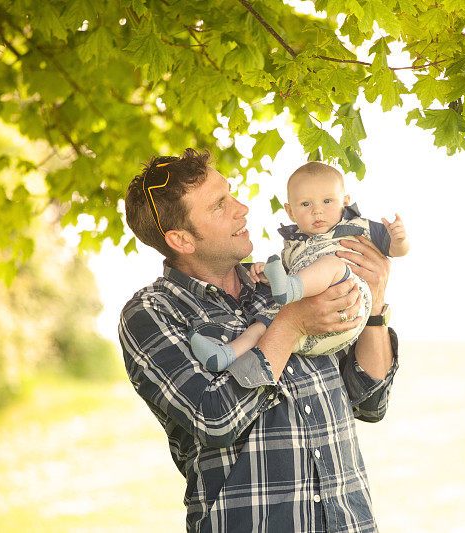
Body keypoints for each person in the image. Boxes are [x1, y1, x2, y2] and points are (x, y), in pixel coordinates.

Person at [118, 148, 399, 532]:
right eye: (220, 205)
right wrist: (290, 326)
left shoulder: (283, 279)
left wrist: (376, 306)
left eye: (230, 193)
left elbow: (370, 402)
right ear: (181, 239)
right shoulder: (152, 313)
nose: (242, 209)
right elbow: (214, 418)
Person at [189, 161, 409, 370]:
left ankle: (290, 289)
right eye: (306, 204)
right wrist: (266, 274)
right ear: (290, 211)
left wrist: (399, 240)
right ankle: (225, 354)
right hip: (305, 327)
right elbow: (285, 273)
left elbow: (395, 251)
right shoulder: (292, 246)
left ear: (345, 201)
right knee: (263, 324)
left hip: (345, 307)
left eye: (327, 201)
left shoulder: (357, 226)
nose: (317, 211)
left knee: (332, 264)